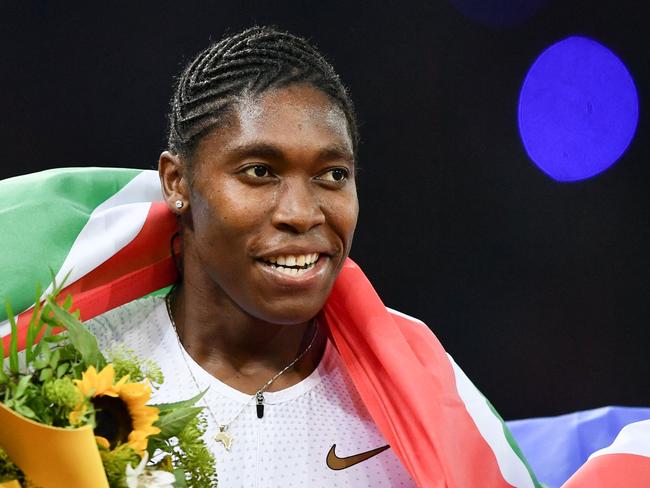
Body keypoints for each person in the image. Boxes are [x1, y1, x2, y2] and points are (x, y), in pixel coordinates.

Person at [87, 26, 416, 486]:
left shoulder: (421, 388)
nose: (302, 214)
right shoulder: (75, 368)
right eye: (260, 171)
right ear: (177, 182)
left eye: (333, 174)